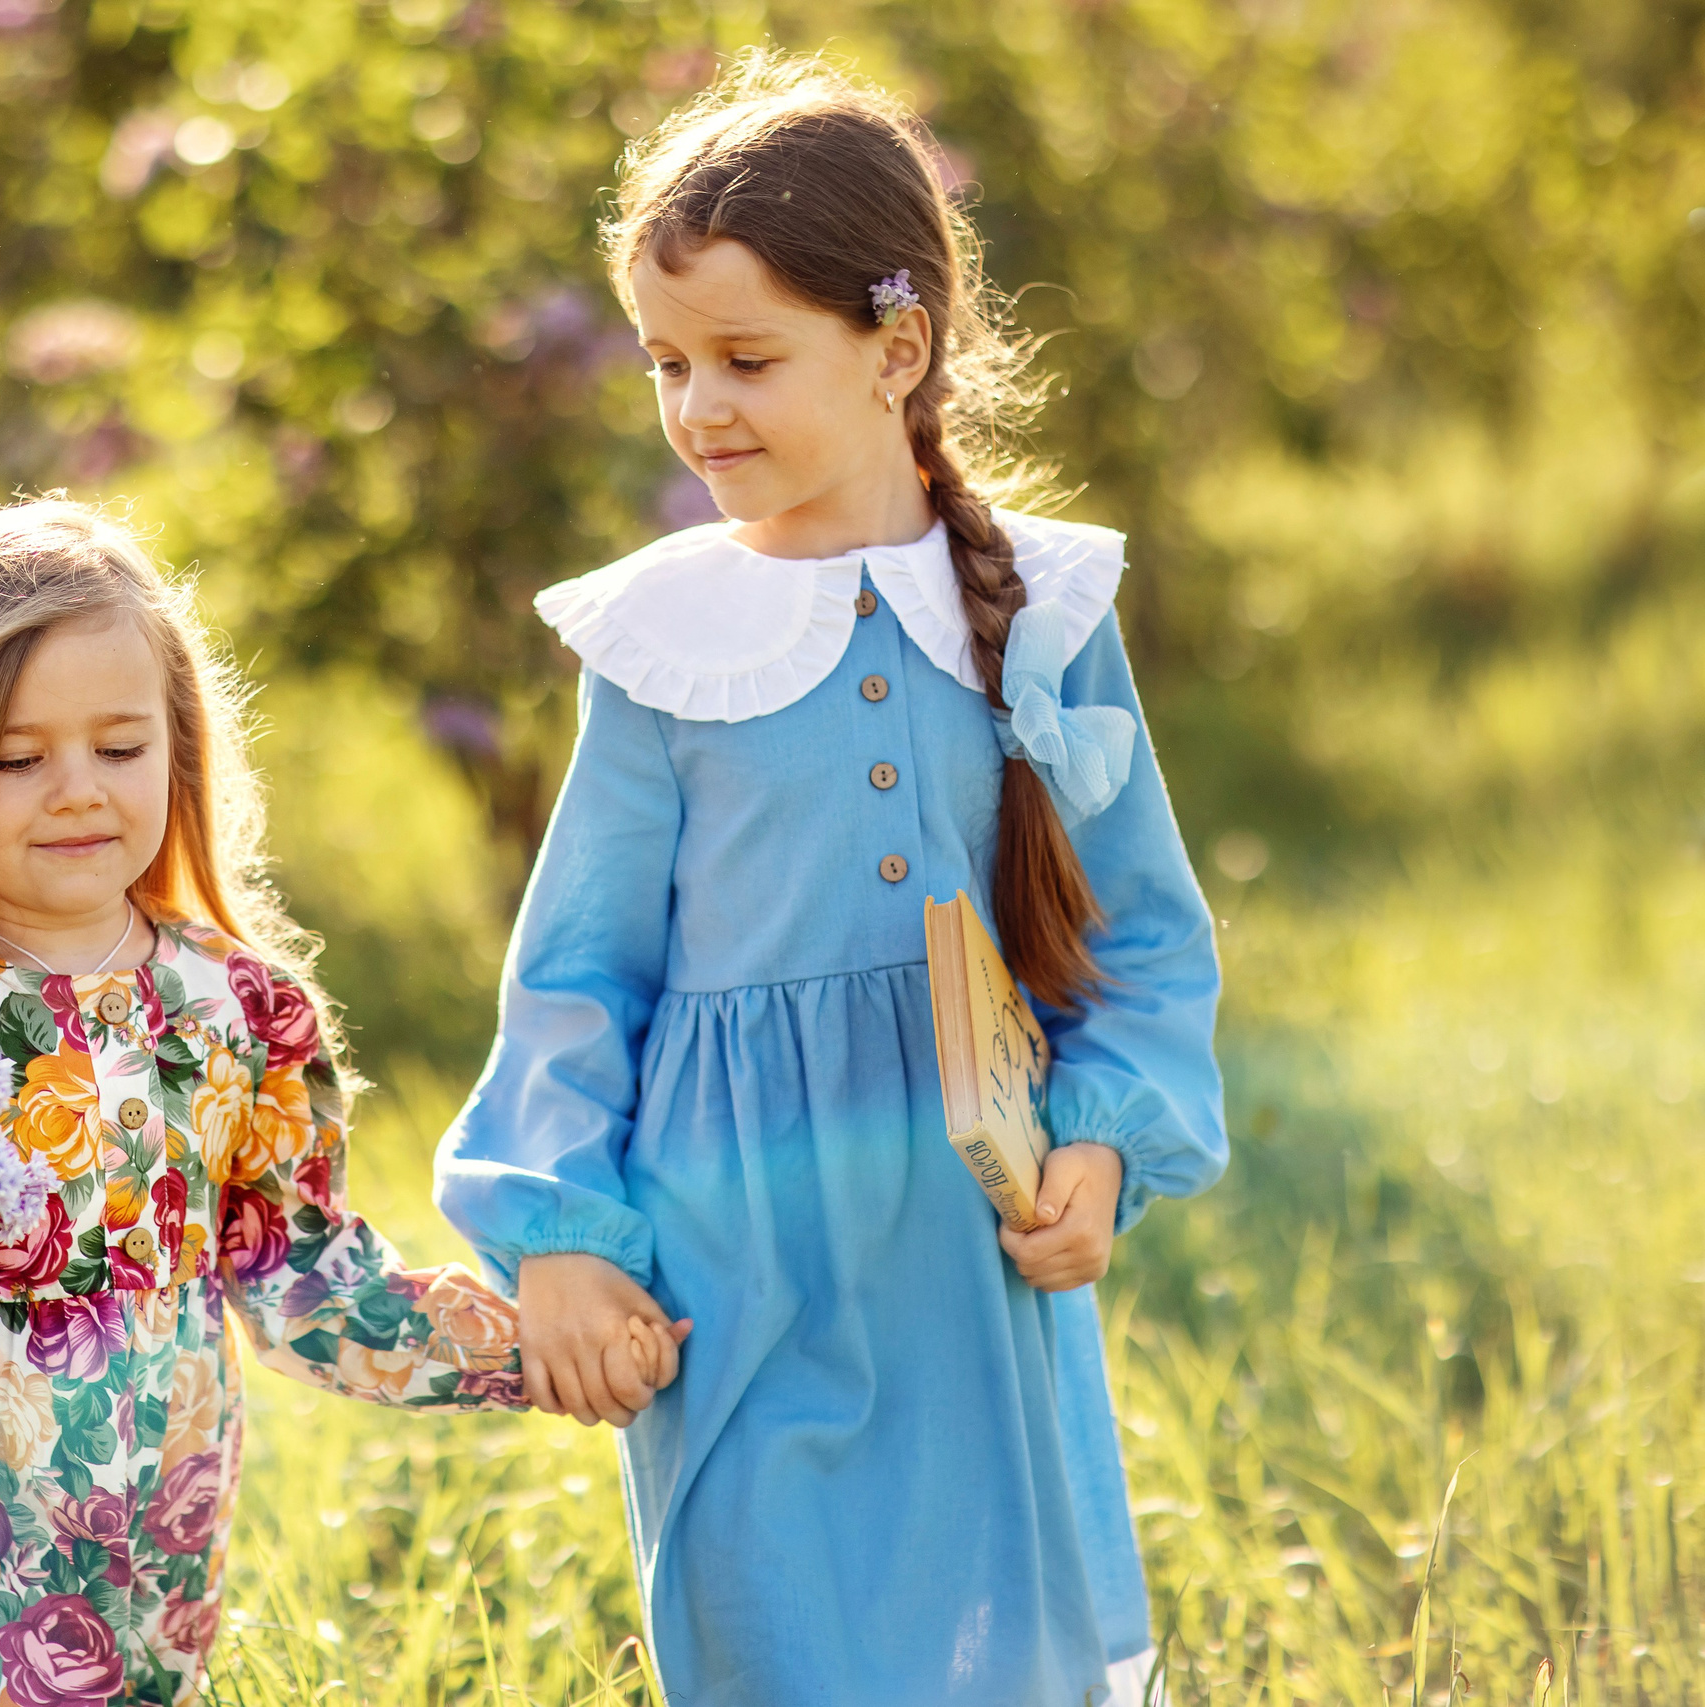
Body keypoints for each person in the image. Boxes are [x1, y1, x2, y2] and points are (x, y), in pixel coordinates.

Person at [433, 55, 1227, 1707]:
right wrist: (567, 1237)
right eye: (665, 361)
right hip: (732, 1258)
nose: (695, 404)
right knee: (769, 1638)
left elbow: (1141, 937)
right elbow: (579, 974)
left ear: (899, 347)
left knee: (994, 1650)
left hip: (964, 1246)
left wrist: (1103, 1146)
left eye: (745, 357)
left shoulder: (1052, 611)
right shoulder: (661, 648)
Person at [0, 499, 673, 1707]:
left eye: (119, 747)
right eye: (15, 757)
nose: (76, 792)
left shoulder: (238, 1009)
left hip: (125, 1593)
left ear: (177, 747)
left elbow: (310, 1290)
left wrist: (535, 1347)